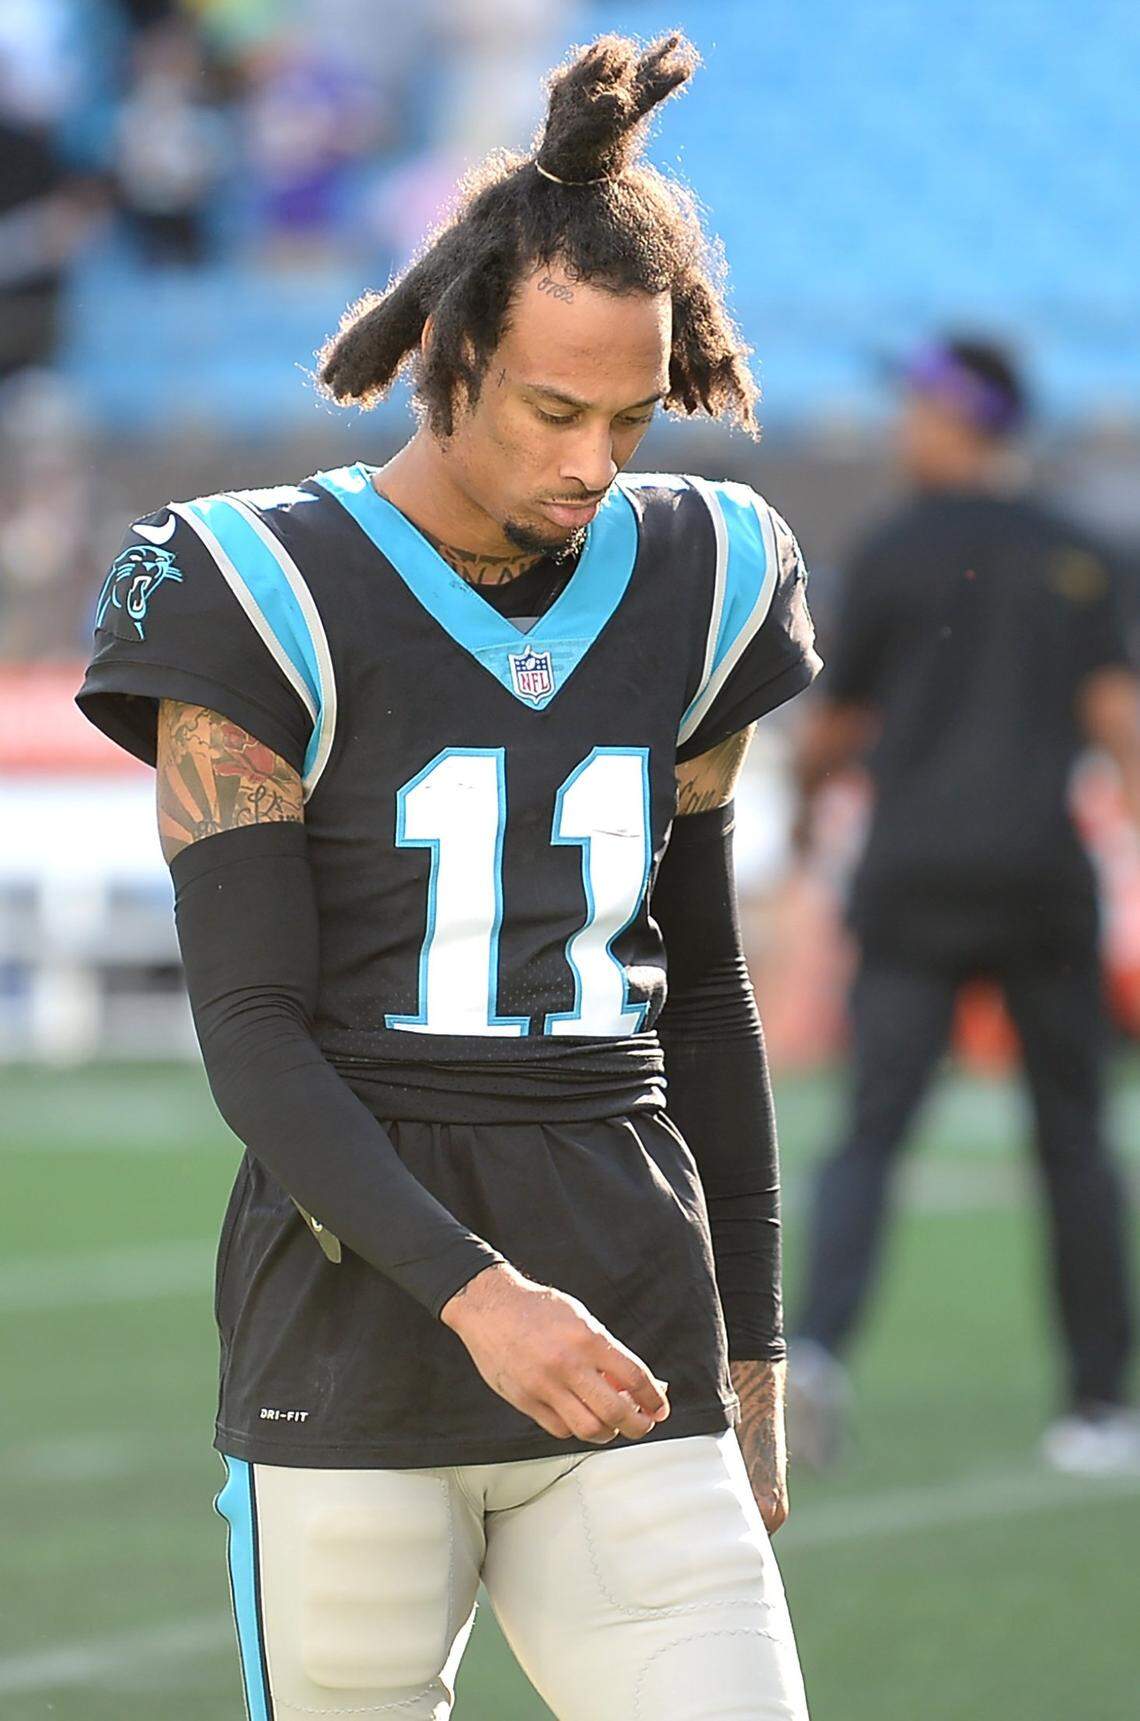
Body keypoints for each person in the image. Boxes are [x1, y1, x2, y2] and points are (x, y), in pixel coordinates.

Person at [76, 35, 818, 1720]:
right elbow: (255, 1027)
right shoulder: (250, 582)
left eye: (630, 416)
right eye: (556, 409)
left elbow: (700, 986)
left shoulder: (707, 568)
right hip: (356, 1333)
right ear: (449, 356)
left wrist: (751, 1333)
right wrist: (481, 1300)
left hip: (631, 1307)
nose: (593, 462)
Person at [789, 335, 1140, 1476]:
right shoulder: (1077, 550)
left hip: (914, 873)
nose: (904, 427)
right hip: (1042, 873)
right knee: (1074, 1142)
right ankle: (1094, 1403)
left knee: (874, 1130)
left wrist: (800, 813)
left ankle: (820, 1352)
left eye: (918, 409)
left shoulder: (892, 548)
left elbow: (836, 728)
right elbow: (1117, 721)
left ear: (961, 417)